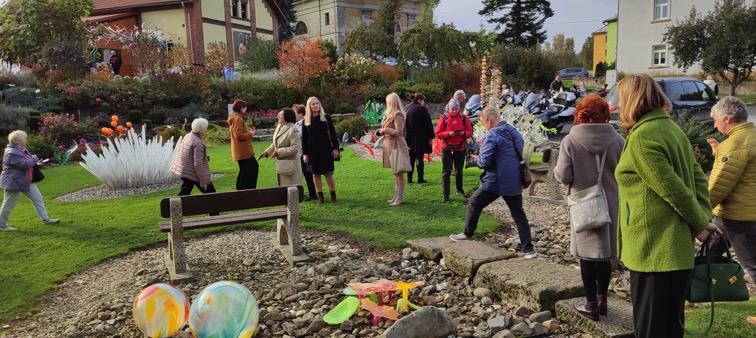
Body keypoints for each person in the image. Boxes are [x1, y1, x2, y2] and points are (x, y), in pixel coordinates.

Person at [614, 74, 721, 338]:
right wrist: (703, 215)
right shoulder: (671, 129)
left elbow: (672, 189)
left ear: (629, 101)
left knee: (651, 328)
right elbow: (698, 179)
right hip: (672, 249)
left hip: (654, 250)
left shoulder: (643, 136)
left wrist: (699, 223)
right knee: (670, 326)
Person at [554, 94, 624, 321]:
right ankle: (603, 301)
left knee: (586, 255)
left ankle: (590, 303)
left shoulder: (570, 140)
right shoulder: (618, 140)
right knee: (605, 254)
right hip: (612, 201)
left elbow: (564, 175)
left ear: (581, 113)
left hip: (583, 201)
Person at [448, 106, 534, 254]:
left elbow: (484, 162)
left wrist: (477, 158)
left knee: (474, 202)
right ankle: (528, 249)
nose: (484, 127)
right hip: (514, 178)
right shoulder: (513, 131)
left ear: (488, 120)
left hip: (496, 180)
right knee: (518, 213)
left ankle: (467, 234)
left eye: (483, 123)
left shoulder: (492, 135)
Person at [706, 96, 756, 285]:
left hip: (738, 216)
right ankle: (697, 292)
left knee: (752, 264)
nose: (715, 126)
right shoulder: (750, 137)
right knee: (709, 253)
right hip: (739, 212)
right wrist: (720, 153)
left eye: (716, 120)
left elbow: (720, 184)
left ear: (727, 118)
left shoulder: (734, 144)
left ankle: (694, 292)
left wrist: (700, 210)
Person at [0, 131, 60, 230]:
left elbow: (27, 163)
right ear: (18, 141)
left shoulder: (22, 149)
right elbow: (24, 164)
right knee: (8, 204)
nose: (26, 140)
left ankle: (45, 219)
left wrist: (36, 164)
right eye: (25, 138)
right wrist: (35, 158)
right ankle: (2, 225)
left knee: (37, 198)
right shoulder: (11, 152)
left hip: (25, 180)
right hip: (13, 182)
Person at [301, 96, 340, 204]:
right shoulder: (306, 120)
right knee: (315, 174)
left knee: (328, 173)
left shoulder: (326, 117)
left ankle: (333, 195)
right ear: (309, 106)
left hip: (326, 149)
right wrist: (305, 154)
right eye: (313, 104)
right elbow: (304, 138)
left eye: (317, 103)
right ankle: (320, 196)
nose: (315, 105)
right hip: (312, 151)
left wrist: (335, 148)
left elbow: (333, 134)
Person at [435, 99, 472, 203]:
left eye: (456, 109)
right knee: (446, 171)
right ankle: (445, 194)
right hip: (447, 148)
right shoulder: (444, 118)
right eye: (452, 109)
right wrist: (448, 134)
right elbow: (438, 133)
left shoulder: (464, 118)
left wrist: (463, 133)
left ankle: (459, 190)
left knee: (459, 170)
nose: (454, 111)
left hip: (460, 148)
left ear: (459, 109)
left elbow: (469, 132)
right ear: (449, 109)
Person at [378, 93, 409, 206]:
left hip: (396, 146)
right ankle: (397, 195)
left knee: (398, 172)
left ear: (391, 102)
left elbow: (399, 132)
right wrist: (381, 130)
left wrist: (385, 130)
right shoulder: (390, 115)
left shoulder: (397, 114)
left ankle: (400, 197)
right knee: (396, 173)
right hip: (390, 146)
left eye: (387, 102)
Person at [259, 108, 303, 187]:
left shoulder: (293, 129)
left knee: (292, 192)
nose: (278, 116)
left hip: (291, 166)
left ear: (287, 116)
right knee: (283, 191)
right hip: (282, 165)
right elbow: (275, 143)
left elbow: (295, 149)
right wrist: (267, 152)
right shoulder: (279, 126)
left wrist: (278, 152)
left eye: (280, 115)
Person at [172, 118, 215, 196]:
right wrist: (203, 181)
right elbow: (197, 164)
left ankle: (175, 207)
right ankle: (174, 206)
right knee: (212, 195)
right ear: (200, 129)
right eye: (205, 127)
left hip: (185, 171)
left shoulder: (188, 136)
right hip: (192, 173)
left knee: (184, 194)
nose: (206, 129)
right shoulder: (198, 143)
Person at [403, 93, 434, 184]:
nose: (424, 103)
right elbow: (428, 124)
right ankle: (420, 179)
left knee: (410, 157)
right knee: (419, 157)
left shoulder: (406, 108)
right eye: (423, 101)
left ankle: (409, 179)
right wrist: (431, 137)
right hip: (420, 137)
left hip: (408, 136)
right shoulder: (422, 109)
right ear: (420, 100)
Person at [228, 99, 258, 190]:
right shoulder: (238, 119)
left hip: (240, 151)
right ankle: (247, 190)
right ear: (241, 108)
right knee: (251, 168)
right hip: (243, 151)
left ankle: (244, 190)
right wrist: (250, 134)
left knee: (245, 170)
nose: (246, 109)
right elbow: (238, 135)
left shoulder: (235, 118)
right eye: (244, 107)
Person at [294, 104, 317, 201]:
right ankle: (310, 193)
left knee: (308, 173)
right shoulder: (296, 124)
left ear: (300, 114)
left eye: (295, 113)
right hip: (299, 153)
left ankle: (313, 194)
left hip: (304, 152)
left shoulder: (304, 123)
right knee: (304, 173)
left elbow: (303, 137)